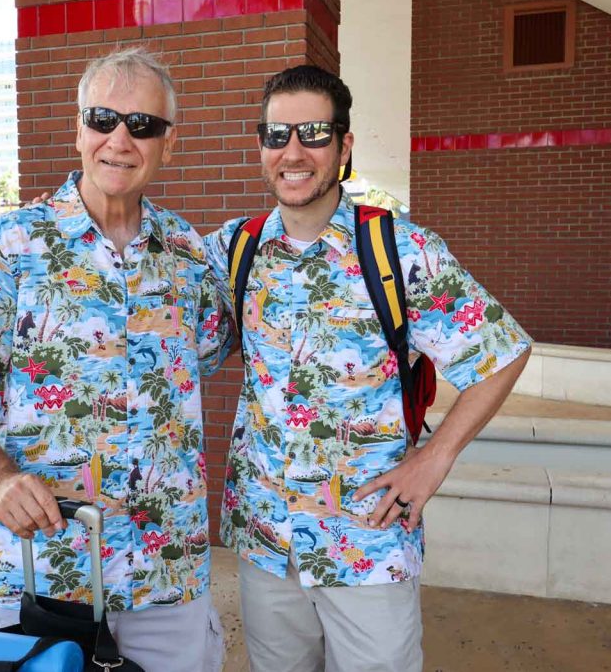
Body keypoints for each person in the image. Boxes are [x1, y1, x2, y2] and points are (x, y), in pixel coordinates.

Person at [204, 65, 534, 672]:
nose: (293, 152)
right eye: (276, 135)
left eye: (313, 133)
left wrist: (434, 459)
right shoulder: (232, 248)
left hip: (367, 541)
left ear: (344, 145)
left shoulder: (401, 251)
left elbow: (503, 350)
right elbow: (157, 307)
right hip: (266, 541)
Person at [0, 47, 230, 672]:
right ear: (78, 131)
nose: (119, 138)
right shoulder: (8, 248)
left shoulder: (191, 257)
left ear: (167, 145)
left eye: (142, 125)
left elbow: (226, 345)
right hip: (44, 571)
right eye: (102, 119)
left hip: (165, 576)